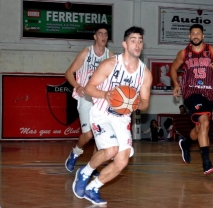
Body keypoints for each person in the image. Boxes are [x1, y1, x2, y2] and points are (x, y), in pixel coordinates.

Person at [72, 26, 152, 205]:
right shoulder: (110, 64)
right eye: (133, 40)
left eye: (140, 40)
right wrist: (105, 94)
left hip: (122, 118)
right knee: (111, 150)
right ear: (125, 44)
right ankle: (84, 173)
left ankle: (94, 187)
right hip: (101, 112)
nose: (137, 44)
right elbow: (89, 88)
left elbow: (145, 102)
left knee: (122, 161)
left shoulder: (145, 74)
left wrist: (136, 102)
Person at [170, 24, 213, 175]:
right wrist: (176, 84)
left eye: (198, 33)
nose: (195, 35)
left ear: (203, 36)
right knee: (204, 120)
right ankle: (206, 163)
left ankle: (186, 143)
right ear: (190, 37)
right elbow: (173, 68)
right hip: (191, 93)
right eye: (193, 33)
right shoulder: (184, 53)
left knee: (201, 127)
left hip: (209, 94)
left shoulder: (211, 50)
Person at [64, 24, 114, 173]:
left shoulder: (110, 56)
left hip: (101, 100)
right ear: (95, 36)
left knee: (100, 134)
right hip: (85, 98)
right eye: (100, 34)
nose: (103, 36)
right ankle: (75, 152)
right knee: (88, 134)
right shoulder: (86, 52)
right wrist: (77, 86)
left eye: (105, 34)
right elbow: (68, 73)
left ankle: (93, 165)